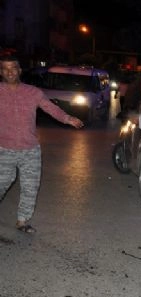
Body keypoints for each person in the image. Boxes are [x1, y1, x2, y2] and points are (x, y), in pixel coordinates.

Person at [0, 56, 84, 233]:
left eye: (13, 68)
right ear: (1, 72)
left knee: (30, 187)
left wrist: (68, 118)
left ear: (19, 70)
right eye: (5, 68)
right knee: (2, 183)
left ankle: (22, 221)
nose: (9, 72)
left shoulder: (33, 92)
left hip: (30, 150)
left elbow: (50, 108)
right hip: (4, 150)